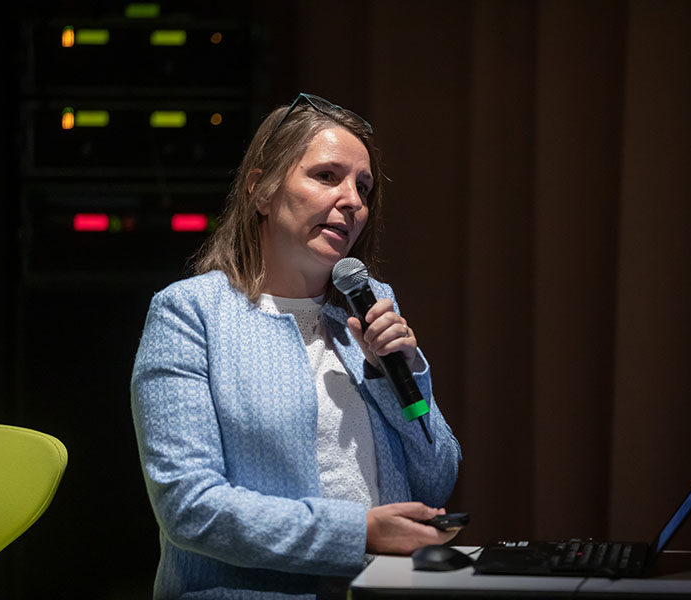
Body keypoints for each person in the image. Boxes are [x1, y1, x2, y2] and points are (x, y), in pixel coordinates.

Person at [130, 93, 462, 600]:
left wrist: (402, 375)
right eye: (327, 176)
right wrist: (359, 533)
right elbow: (190, 507)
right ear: (260, 191)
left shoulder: (370, 309)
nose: (352, 200)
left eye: (363, 186)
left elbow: (437, 482)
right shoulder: (191, 314)